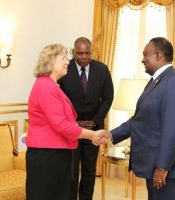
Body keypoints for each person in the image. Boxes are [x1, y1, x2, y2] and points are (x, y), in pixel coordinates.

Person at [109, 37, 175, 200]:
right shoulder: (156, 81)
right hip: (155, 163)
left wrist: (162, 167)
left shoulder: (173, 82)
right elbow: (140, 118)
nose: (142, 60)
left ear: (157, 56)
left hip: (166, 168)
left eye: (145, 55)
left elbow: (173, 129)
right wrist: (112, 135)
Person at [26, 44, 108, 200]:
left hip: (56, 153)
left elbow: (64, 122)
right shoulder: (45, 86)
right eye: (63, 58)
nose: (67, 62)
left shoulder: (51, 85)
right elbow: (60, 124)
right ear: (50, 62)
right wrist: (92, 135)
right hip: (47, 156)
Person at [57, 37, 114, 200]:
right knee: (71, 172)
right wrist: (72, 121)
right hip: (70, 130)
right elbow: (59, 99)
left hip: (93, 130)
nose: (83, 57)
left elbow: (108, 97)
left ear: (91, 52)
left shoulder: (102, 69)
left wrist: (95, 120)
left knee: (89, 172)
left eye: (87, 53)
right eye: (79, 53)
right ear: (73, 52)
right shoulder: (64, 69)